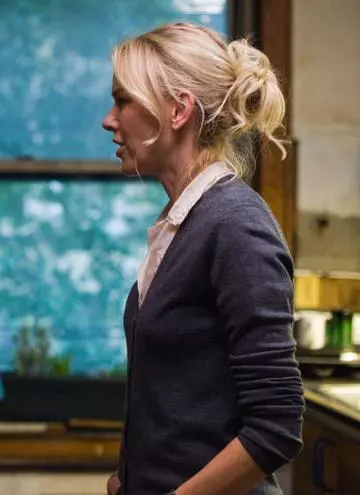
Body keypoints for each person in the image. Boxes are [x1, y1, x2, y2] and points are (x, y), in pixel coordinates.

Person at [100, 22, 304, 495]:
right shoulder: (182, 224)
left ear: (178, 110)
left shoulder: (235, 224)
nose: (109, 120)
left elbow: (277, 424)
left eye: (123, 100)